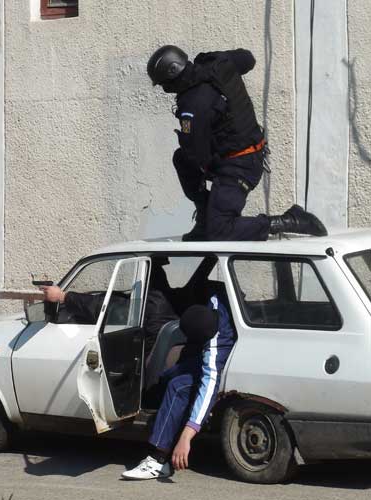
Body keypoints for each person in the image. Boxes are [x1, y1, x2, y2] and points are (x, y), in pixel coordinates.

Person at [147, 45, 327, 241]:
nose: (166, 90)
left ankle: (290, 220)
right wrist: (224, 61)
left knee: (219, 231)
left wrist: (210, 178)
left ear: (174, 72)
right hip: (252, 154)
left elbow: (199, 156)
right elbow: (248, 59)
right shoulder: (217, 65)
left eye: (166, 85)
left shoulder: (193, 104)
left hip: (237, 166)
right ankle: (206, 218)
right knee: (181, 159)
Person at [121, 294, 235, 480]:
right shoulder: (215, 302)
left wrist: (186, 436)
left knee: (178, 386)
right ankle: (164, 420)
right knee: (168, 375)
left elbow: (208, 391)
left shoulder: (214, 351)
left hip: (227, 361)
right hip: (204, 354)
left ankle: (159, 459)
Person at [41, 259, 178, 357]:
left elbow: (105, 308)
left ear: (146, 278)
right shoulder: (163, 300)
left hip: (140, 365)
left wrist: (63, 296)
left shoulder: (150, 306)